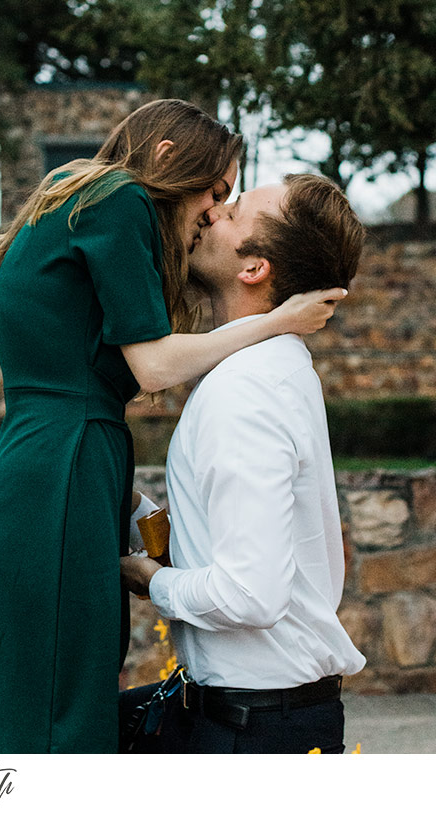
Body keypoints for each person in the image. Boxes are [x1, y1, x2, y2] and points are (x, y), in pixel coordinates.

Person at [0, 99, 347, 754]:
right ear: (169, 159)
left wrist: (142, 524)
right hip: (63, 473)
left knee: (33, 710)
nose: (210, 212)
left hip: (53, 469)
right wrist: (282, 319)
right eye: (212, 191)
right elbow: (156, 364)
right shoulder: (120, 199)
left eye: (228, 200)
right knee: (57, 719)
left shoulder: (74, 198)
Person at [119, 174, 367, 754]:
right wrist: (133, 510)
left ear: (254, 268)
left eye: (235, 212)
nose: (213, 212)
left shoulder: (248, 389)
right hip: (256, 713)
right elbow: (227, 538)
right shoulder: (263, 366)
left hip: (254, 733)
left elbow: (250, 593)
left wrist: (148, 579)